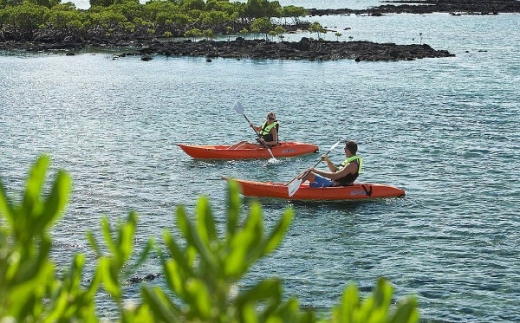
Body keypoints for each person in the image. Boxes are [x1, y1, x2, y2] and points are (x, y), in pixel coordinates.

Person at [297, 140, 362, 187]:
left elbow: (334, 176)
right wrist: (327, 161)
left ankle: (292, 190)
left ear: (348, 150)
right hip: (334, 183)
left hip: (335, 186)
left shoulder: (351, 165)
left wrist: (316, 171)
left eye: (345, 148)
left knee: (308, 174)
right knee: (307, 172)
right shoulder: (351, 162)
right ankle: (293, 186)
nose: (344, 150)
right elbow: (334, 170)